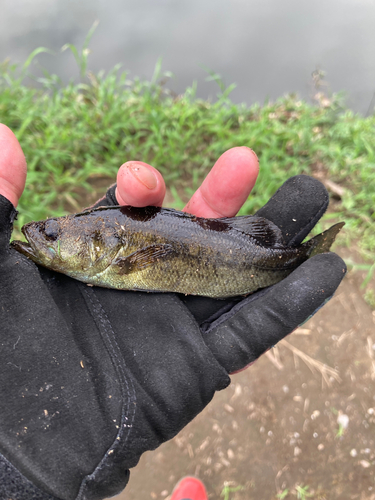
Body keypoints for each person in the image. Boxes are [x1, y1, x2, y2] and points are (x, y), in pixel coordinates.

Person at [0, 123, 346, 500]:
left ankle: (299, 258)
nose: (40, 235)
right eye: (52, 233)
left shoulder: (118, 251)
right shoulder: (102, 248)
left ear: (101, 244)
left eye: (52, 236)